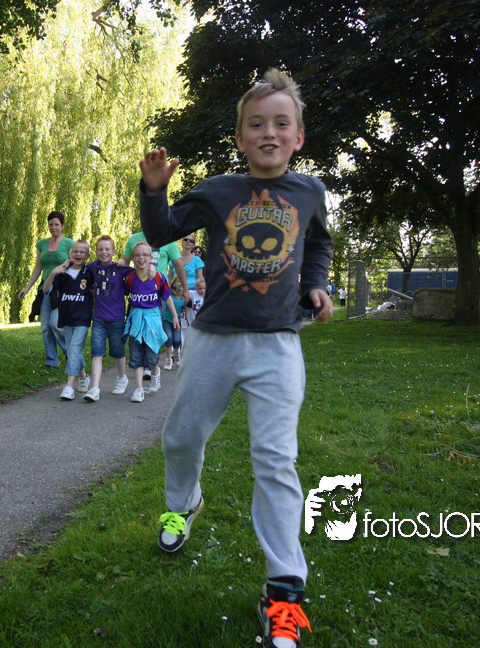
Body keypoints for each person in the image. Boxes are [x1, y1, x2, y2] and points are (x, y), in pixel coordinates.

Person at [138, 68, 333, 648]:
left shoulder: (310, 192)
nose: (269, 132)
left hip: (278, 344)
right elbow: (163, 231)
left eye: (281, 123)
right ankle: (182, 505)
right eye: (257, 124)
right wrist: (154, 190)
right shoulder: (219, 191)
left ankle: (284, 595)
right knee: (181, 437)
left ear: (298, 136)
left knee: (276, 460)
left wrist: (316, 284)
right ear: (242, 137)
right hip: (214, 339)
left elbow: (319, 241)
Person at [123, 240, 178, 403]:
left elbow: (167, 297)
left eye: (145, 255)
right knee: (135, 354)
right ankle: (139, 389)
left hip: (152, 317)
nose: (141, 258)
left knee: (151, 354)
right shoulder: (130, 277)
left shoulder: (159, 277)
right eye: (137, 255)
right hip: (136, 318)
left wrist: (175, 316)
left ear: (151, 258)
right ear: (133, 258)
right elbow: (120, 291)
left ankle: (155, 372)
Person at [18, 211, 74, 368]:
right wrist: (27, 288)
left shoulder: (69, 243)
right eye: (51, 224)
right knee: (45, 327)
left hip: (62, 288)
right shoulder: (42, 244)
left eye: (57, 224)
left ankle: (71, 353)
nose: (53, 227)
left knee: (55, 324)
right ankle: (52, 361)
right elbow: (38, 267)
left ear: (62, 226)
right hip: (46, 288)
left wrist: (65, 264)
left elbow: (74, 262)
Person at [42, 240, 93, 400]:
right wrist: (52, 273)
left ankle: (69, 386)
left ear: (87, 256)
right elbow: (46, 290)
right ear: (70, 253)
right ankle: (83, 376)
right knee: (72, 350)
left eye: (82, 252)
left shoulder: (90, 273)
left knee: (74, 348)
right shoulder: (63, 273)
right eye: (75, 251)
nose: (78, 254)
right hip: (66, 318)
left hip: (83, 318)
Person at [84, 235, 131, 401]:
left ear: (114, 252)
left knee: (118, 350)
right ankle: (95, 388)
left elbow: (138, 273)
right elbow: (80, 270)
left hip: (116, 318)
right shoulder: (92, 267)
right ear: (96, 252)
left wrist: (124, 262)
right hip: (98, 318)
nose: (104, 252)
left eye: (107, 249)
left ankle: (122, 377)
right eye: (100, 249)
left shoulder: (119, 268)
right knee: (97, 351)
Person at [122, 232, 190, 304]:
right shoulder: (133, 239)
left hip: (160, 291)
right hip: (138, 291)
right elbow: (124, 265)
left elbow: (179, 266)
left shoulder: (169, 240)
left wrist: (186, 289)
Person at [162, 275, 185, 370]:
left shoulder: (184, 296)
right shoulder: (169, 294)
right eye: (178, 281)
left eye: (182, 281)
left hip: (178, 321)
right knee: (168, 338)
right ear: (174, 284)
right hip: (167, 320)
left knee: (177, 340)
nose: (180, 284)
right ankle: (168, 359)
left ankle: (176, 353)